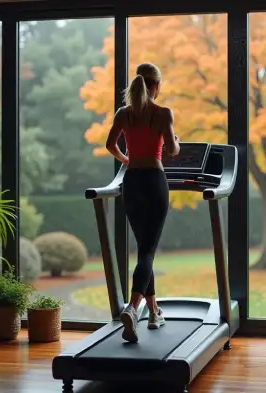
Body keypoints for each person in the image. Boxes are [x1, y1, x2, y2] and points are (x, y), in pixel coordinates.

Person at [105, 63, 180, 343]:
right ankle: (133, 309)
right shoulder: (163, 113)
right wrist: (178, 143)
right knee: (148, 251)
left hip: (132, 182)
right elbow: (172, 150)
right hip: (154, 182)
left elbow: (110, 145)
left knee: (144, 251)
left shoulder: (124, 114)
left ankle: (153, 312)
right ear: (157, 86)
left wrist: (126, 160)